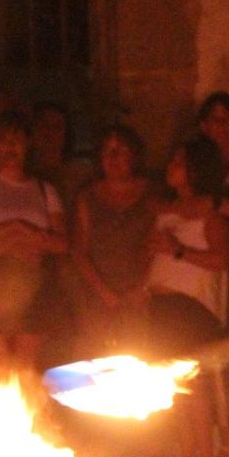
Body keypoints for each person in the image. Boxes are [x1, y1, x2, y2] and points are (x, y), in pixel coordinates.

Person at [144, 136, 229, 457]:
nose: (171, 167)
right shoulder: (165, 213)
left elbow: (221, 260)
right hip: (161, 305)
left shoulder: (210, 216)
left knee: (194, 384)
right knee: (172, 385)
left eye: (179, 161)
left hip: (191, 308)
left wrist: (178, 250)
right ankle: (187, 456)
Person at [0, 110, 69, 369]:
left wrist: (25, 234)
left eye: (16, 141)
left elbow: (62, 243)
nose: (10, 147)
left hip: (33, 283)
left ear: (27, 144)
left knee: (24, 369)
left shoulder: (45, 190)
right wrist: (12, 229)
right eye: (3, 141)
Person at [70, 125, 155, 354]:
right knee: (96, 355)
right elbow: (79, 250)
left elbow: (157, 243)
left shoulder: (152, 194)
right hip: (97, 294)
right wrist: (104, 292)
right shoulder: (88, 197)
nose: (113, 157)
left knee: (138, 354)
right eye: (108, 150)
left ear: (134, 155)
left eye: (121, 150)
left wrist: (142, 286)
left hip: (140, 295)